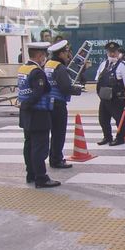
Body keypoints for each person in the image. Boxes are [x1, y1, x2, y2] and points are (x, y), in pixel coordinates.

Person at [18, 42, 61, 188]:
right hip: (38, 113)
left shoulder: (23, 69)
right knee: (39, 147)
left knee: (29, 144)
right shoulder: (37, 72)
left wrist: (24, 106)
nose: (45, 58)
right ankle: (41, 178)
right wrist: (28, 104)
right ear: (39, 55)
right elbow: (40, 91)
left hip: (26, 114)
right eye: (44, 55)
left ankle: (31, 174)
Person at [44, 40, 82, 169]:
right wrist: (78, 90)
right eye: (66, 52)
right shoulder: (59, 68)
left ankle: (53, 157)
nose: (68, 54)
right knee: (59, 133)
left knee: (53, 132)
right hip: (58, 103)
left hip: (49, 102)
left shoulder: (48, 64)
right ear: (60, 54)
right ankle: (56, 160)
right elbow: (65, 87)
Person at [95, 42, 125, 146]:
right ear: (107, 52)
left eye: (114, 52)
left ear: (118, 52)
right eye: (110, 52)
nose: (112, 54)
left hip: (117, 99)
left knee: (119, 120)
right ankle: (107, 137)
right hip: (104, 97)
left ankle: (120, 139)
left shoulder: (123, 66)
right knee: (103, 119)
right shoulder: (103, 64)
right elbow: (98, 79)